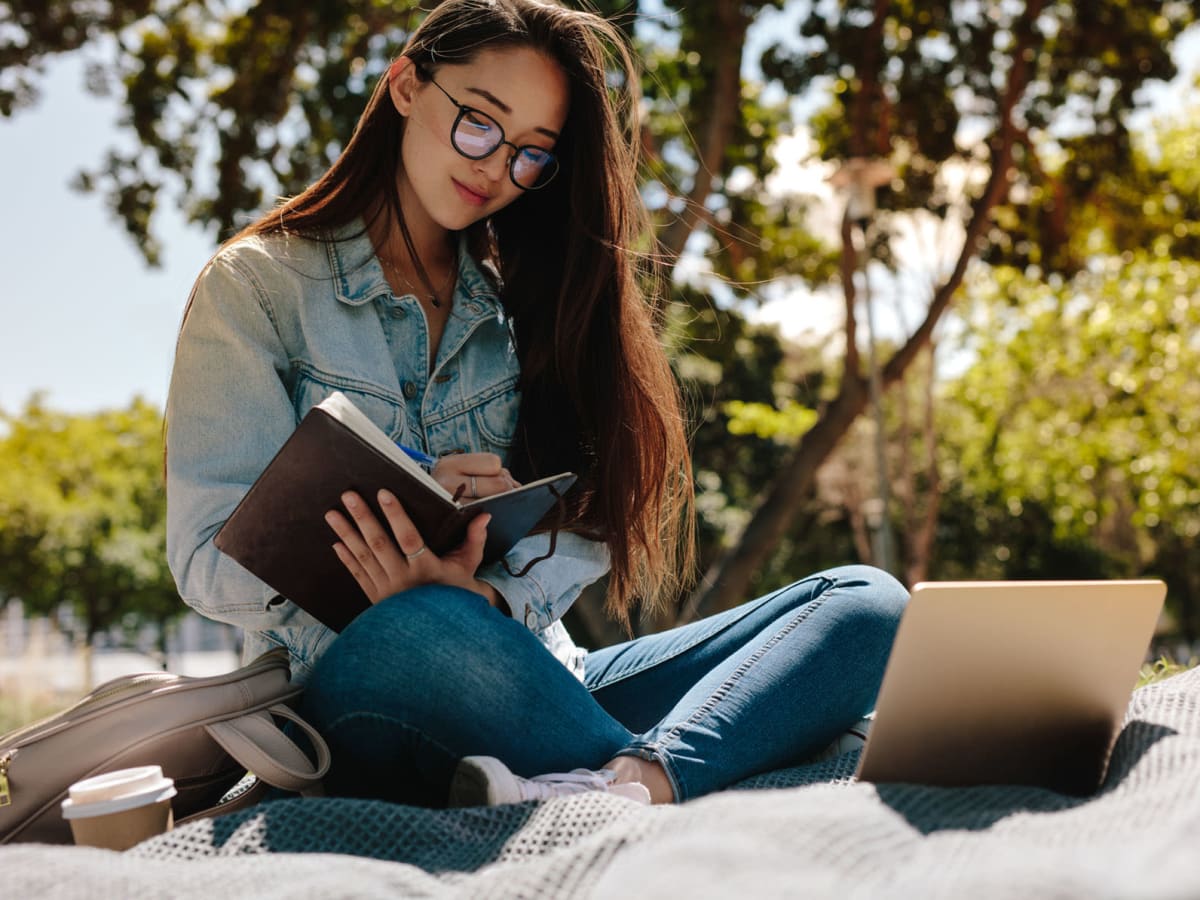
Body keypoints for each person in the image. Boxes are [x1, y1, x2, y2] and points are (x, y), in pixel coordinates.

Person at [165, 0, 908, 809]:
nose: (495, 169)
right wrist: (384, 575)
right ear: (407, 85)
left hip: (546, 673)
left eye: (531, 156)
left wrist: (484, 593)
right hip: (371, 675)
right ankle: (703, 768)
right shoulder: (256, 288)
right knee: (419, 627)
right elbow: (204, 554)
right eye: (480, 123)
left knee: (869, 604)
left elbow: (577, 529)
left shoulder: (522, 307)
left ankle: (637, 782)